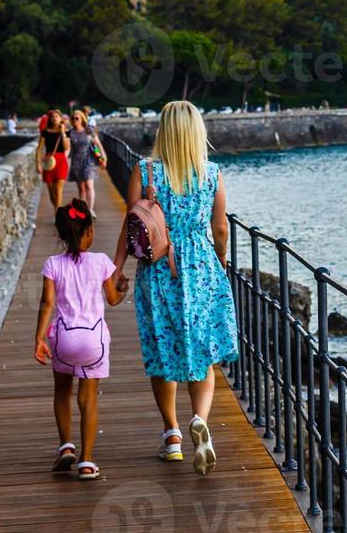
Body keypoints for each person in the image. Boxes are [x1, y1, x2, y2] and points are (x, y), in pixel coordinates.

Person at [113, 100, 236, 476]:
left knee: (162, 349)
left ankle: (172, 436)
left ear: (164, 131)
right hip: (201, 267)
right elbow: (220, 229)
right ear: (197, 132)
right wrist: (221, 259)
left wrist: (117, 269)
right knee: (204, 350)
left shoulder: (146, 170)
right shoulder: (211, 173)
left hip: (158, 267)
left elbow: (131, 224)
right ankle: (200, 418)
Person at [33, 199, 129, 480]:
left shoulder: (52, 264)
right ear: (88, 231)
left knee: (62, 392)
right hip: (94, 342)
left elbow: (47, 302)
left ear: (62, 235)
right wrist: (122, 288)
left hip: (63, 340)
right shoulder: (101, 262)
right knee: (88, 399)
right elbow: (112, 299)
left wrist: (39, 338)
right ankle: (87, 462)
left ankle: (65, 447)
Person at [67, 110, 106, 211]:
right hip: (76, 161)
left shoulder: (89, 131)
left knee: (89, 185)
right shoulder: (70, 133)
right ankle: (83, 209)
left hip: (89, 161)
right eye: (73, 118)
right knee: (81, 188)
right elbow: (67, 148)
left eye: (77, 118)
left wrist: (103, 158)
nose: (74, 120)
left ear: (82, 119)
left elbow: (98, 145)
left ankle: (90, 210)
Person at [37, 110, 70, 209]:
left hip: (61, 161)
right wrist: (38, 163)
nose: (55, 118)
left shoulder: (66, 132)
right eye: (52, 117)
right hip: (48, 161)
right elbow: (39, 148)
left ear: (61, 119)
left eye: (57, 116)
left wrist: (63, 132)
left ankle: (58, 214)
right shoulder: (45, 132)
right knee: (51, 192)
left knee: (59, 189)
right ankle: (57, 208)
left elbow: (66, 147)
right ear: (50, 119)